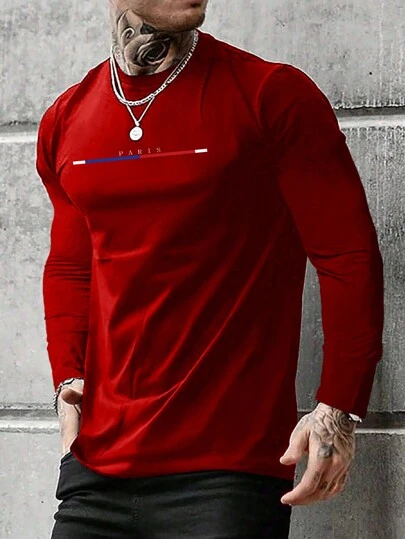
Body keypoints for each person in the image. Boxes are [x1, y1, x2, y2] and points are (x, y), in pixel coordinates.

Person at [36, 0, 384, 537]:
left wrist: (337, 408)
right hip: (95, 471)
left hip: (226, 476)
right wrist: (67, 378)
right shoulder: (66, 118)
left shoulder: (270, 95)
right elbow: (70, 265)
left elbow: (347, 255)